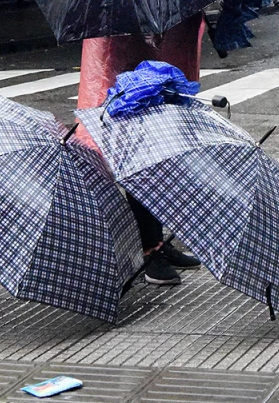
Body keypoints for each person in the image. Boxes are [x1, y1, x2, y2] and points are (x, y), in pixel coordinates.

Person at [73, 14, 205, 286]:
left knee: (158, 154)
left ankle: (156, 241)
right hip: (121, 69)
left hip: (156, 58)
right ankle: (148, 250)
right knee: (137, 158)